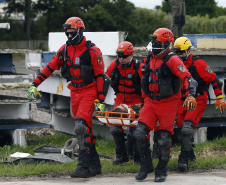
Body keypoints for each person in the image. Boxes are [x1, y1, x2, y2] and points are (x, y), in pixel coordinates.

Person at [27, 17, 109, 178]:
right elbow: (50, 67)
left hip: (89, 91)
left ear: (80, 31)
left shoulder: (93, 51)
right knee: (86, 130)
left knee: (80, 126)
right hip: (75, 92)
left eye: (72, 33)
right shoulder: (65, 50)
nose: (70, 37)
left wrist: (100, 99)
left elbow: (101, 76)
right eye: (67, 34)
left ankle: (83, 167)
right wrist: (35, 83)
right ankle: (95, 164)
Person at [134, 28, 197, 182]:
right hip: (151, 101)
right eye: (153, 41)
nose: (154, 44)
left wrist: (189, 94)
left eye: (157, 42)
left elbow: (187, 77)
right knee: (139, 133)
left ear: (166, 44)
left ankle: (162, 169)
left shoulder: (173, 59)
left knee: (163, 139)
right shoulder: (149, 58)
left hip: (169, 102)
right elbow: (144, 81)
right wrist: (143, 102)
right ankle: (146, 165)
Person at [173, 36, 226, 171]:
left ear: (189, 50)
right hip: (182, 100)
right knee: (180, 128)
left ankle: (183, 159)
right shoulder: (174, 63)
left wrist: (219, 97)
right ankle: (190, 154)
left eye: (182, 52)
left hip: (197, 100)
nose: (180, 55)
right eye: (177, 52)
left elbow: (215, 80)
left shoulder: (199, 64)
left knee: (186, 128)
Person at [105, 41, 144, 165]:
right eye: (119, 56)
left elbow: (147, 87)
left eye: (124, 57)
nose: (121, 59)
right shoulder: (114, 65)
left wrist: (145, 104)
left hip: (136, 102)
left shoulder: (139, 67)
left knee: (135, 131)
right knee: (114, 129)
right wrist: (99, 97)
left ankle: (138, 157)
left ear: (131, 55)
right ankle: (122, 156)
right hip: (120, 101)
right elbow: (104, 79)